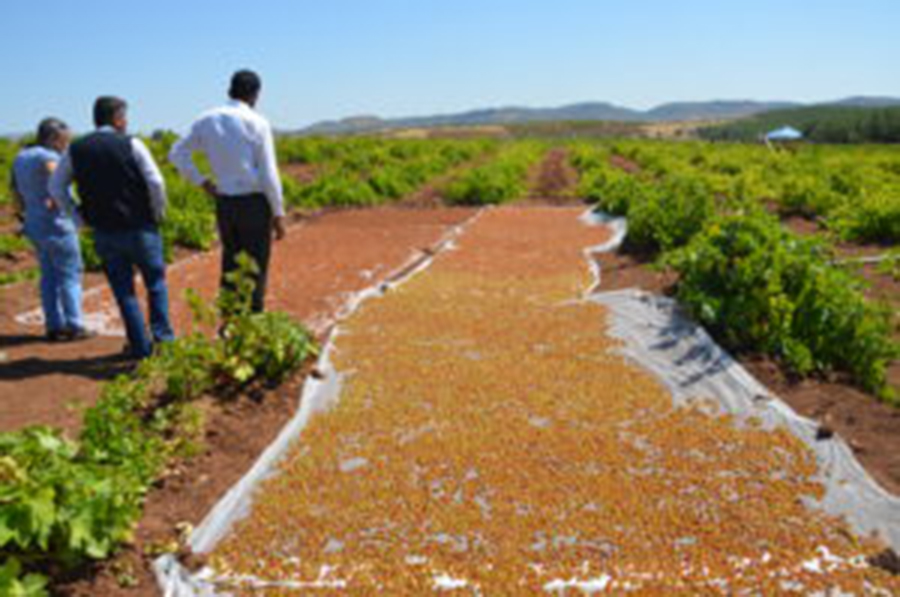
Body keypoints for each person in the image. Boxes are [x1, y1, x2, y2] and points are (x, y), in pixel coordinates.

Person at [50, 97, 174, 359]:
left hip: (104, 230)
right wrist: (158, 211)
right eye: (124, 116)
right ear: (117, 118)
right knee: (155, 283)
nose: (126, 121)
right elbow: (156, 181)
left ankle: (140, 347)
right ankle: (163, 342)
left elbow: (56, 187)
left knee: (124, 291)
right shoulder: (131, 143)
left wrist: (78, 218)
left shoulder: (76, 149)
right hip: (140, 226)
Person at [170, 69, 286, 313]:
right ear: (255, 94)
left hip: (225, 203)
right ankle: (252, 322)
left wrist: (202, 181)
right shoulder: (257, 122)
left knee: (230, 262)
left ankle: (229, 320)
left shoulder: (206, 119)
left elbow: (176, 153)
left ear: (230, 90)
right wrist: (278, 213)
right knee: (255, 266)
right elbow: (268, 173)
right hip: (254, 203)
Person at [10, 118, 90, 342]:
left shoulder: (22, 156)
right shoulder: (48, 156)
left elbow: (16, 191)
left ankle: (53, 326)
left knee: (49, 276)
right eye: (65, 140)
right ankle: (75, 324)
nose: (67, 144)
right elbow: (57, 180)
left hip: (34, 223)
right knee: (70, 273)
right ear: (54, 138)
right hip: (56, 224)